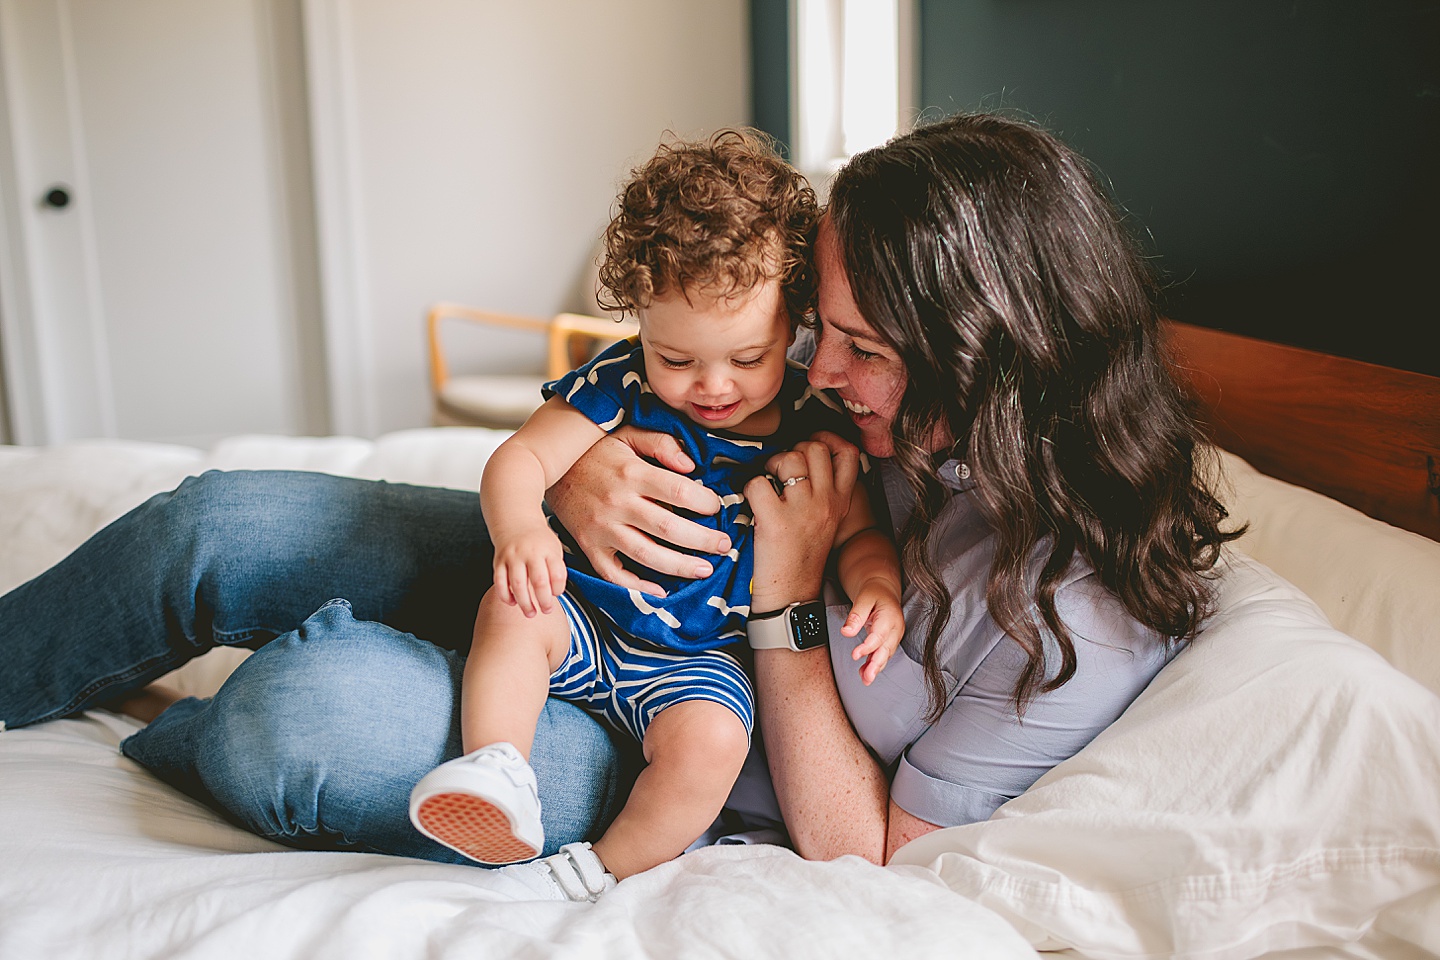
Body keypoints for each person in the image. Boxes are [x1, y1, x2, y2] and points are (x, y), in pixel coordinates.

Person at [0, 111, 1239, 895]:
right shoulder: (898, 406)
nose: (810, 373)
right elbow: (685, 363)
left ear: (986, 353)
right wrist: (581, 469)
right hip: (578, 575)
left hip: (684, 720)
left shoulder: (1078, 620)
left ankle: (164, 724)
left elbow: (868, 853)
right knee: (218, 523)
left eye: (854, 347)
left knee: (308, 717)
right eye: (820, 328)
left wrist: (787, 605)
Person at [405, 130, 903, 889]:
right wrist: (522, 529)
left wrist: (878, 586)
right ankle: (498, 767)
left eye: (747, 359)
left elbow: (859, 532)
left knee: (713, 748)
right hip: (586, 614)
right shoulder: (622, 383)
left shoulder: (815, 422)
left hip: (699, 663)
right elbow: (519, 459)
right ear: (639, 321)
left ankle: (596, 871)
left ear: (794, 324)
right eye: (676, 358)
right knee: (511, 612)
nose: (712, 386)